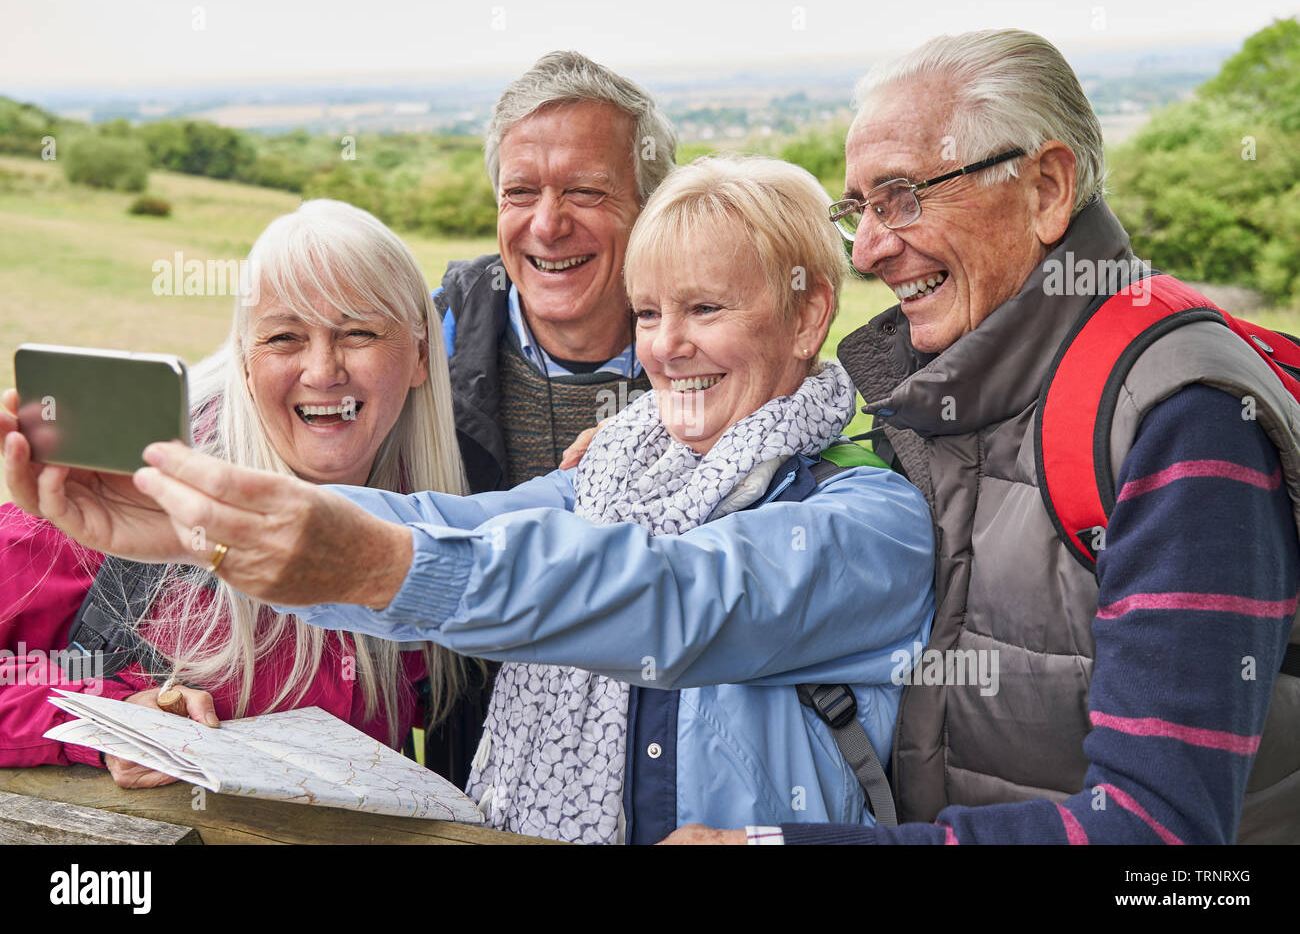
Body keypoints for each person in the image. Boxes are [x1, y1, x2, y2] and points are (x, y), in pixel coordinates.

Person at [3, 156, 936, 842]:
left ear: (810, 314)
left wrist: (376, 565)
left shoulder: (868, 523)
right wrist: (194, 528)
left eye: (705, 309)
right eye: (649, 314)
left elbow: (674, 599)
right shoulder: (610, 477)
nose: (665, 348)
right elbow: (458, 527)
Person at [662, 29, 1300, 845]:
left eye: (901, 196)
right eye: (858, 208)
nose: (867, 249)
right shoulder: (949, 384)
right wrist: (660, 447)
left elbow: (1157, 833)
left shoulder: (1184, 419)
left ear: (1044, 189)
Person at [0, 199, 473, 786]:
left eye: (359, 332)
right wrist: (110, 720)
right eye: (283, 337)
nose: (323, 370)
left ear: (421, 355)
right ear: (245, 363)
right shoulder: (140, 490)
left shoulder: (438, 527)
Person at [428, 50, 678, 784]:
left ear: (652, 206)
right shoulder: (426, 345)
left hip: (660, 784)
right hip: (469, 786)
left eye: (586, 192)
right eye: (521, 192)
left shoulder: (721, 354)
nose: (547, 224)